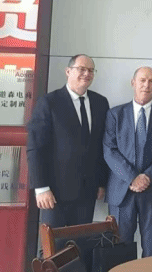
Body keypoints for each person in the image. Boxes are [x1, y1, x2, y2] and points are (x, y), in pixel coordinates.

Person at [27, 54, 109, 231]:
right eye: (81, 69)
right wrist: (41, 187)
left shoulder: (100, 103)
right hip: (54, 192)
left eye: (91, 70)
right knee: (53, 243)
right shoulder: (49, 102)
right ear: (68, 71)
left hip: (87, 192)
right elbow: (36, 148)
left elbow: (101, 146)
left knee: (80, 242)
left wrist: (101, 182)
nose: (86, 74)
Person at [104, 67, 152, 258]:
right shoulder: (115, 114)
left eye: (151, 81)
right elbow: (109, 151)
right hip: (122, 191)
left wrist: (147, 177)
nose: (146, 85)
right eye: (142, 80)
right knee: (119, 248)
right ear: (133, 83)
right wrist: (132, 177)